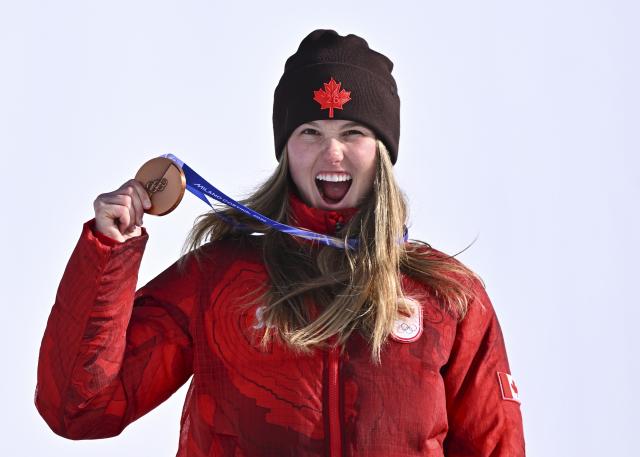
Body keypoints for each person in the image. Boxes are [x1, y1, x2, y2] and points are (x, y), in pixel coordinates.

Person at [35, 29, 526, 456]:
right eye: (310, 131)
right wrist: (107, 255)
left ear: (381, 151)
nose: (330, 152)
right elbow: (78, 409)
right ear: (286, 149)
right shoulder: (218, 279)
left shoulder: (447, 296)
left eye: (353, 131)